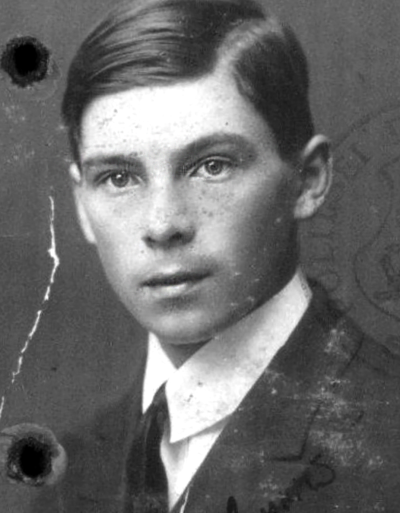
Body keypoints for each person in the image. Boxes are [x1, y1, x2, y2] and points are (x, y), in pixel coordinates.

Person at [58, 0, 400, 511]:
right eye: (119, 178)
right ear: (82, 206)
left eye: (212, 166)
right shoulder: (64, 473)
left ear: (307, 180)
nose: (163, 225)